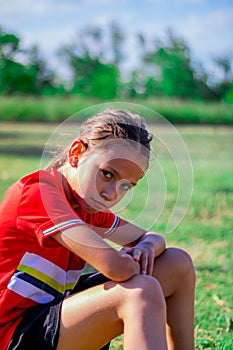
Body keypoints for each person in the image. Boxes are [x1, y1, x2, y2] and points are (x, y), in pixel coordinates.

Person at [0, 109, 196, 350]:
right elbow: (116, 268)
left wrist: (145, 246)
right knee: (139, 291)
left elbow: (151, 237)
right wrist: (130, 259)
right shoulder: (40, 193)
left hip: (53, 315)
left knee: (178, 263)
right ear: (76, 153)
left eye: (125, 185)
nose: (111, 194)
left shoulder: (87, 205)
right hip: (12, 334)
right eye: (107, 174)